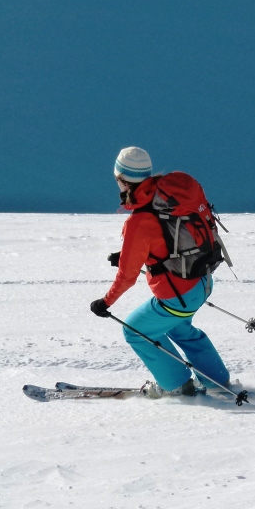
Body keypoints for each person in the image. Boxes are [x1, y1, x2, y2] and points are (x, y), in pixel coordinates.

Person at [89, 147, 230, 398]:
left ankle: (176, 385)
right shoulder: (168, 199)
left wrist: (105, 302)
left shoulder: (139, 220)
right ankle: (217, 381)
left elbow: (127, 277)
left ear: (122, 180)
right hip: (201, 281)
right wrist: (124, 257)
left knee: (134, 330)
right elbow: (165, 244)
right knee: (179, 329)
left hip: (178, 296)